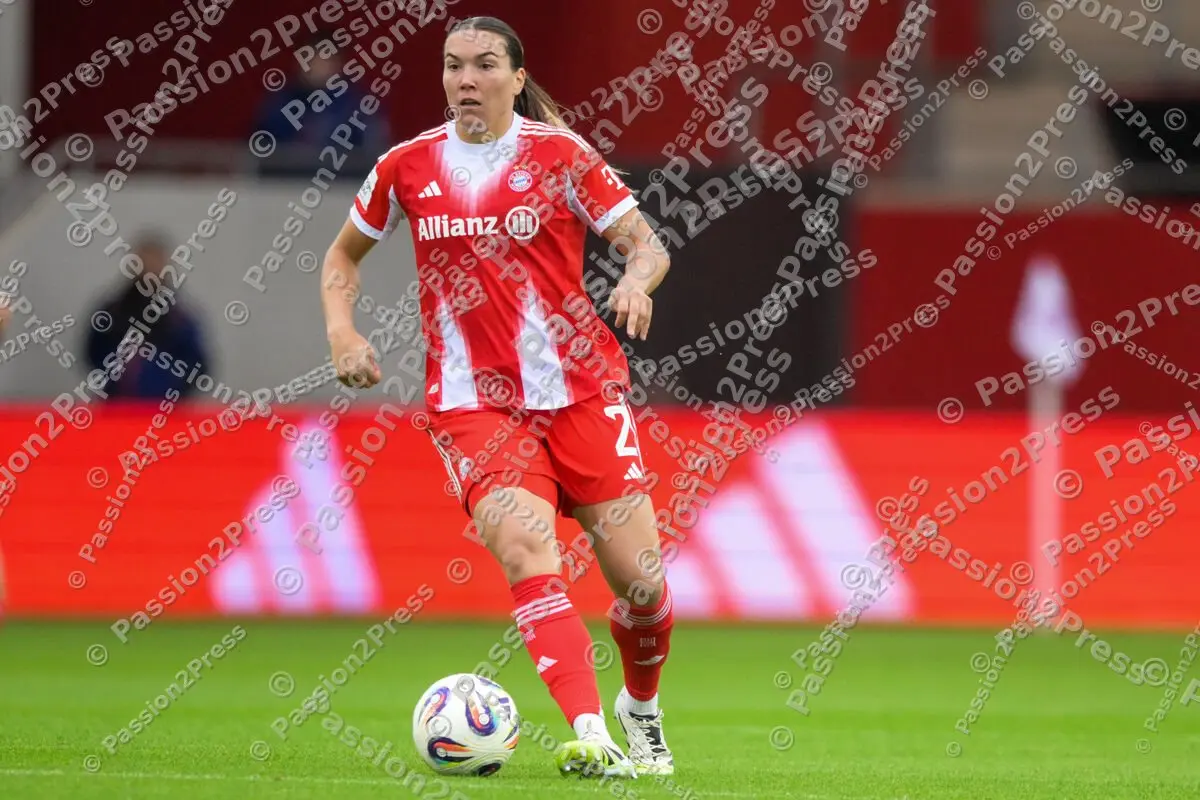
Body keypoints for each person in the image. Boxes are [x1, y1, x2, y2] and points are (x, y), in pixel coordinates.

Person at [319, 17, 674, 780]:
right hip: (472, 403)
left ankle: (638, 709)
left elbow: (646, 243)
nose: (465, 80)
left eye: (483, 65)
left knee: (642, 585)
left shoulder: (562, 155)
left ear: (518, 77)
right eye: (453, 66)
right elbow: (342, 257)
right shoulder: (406, 166)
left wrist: (637, 281)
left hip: (580, 391)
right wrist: (343, 332)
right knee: (524, 545)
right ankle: (590, 734)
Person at [85, 232, 211, 400]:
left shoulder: (181, 318)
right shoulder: (112, 313)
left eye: (156, 260)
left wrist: (172, 386)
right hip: (117, 411)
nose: (150, 267)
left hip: (168, 412)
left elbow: (198, 364)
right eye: (144, 260)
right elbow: (94, 353)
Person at [251, 34, 390, 177]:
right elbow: (259, 152)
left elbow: (371, 158)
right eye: (308, 59)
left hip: (342, 188)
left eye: (323, 60)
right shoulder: (279, 104)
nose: (314, 66)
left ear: (337, 64)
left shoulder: (359, 108)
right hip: (282, 187)